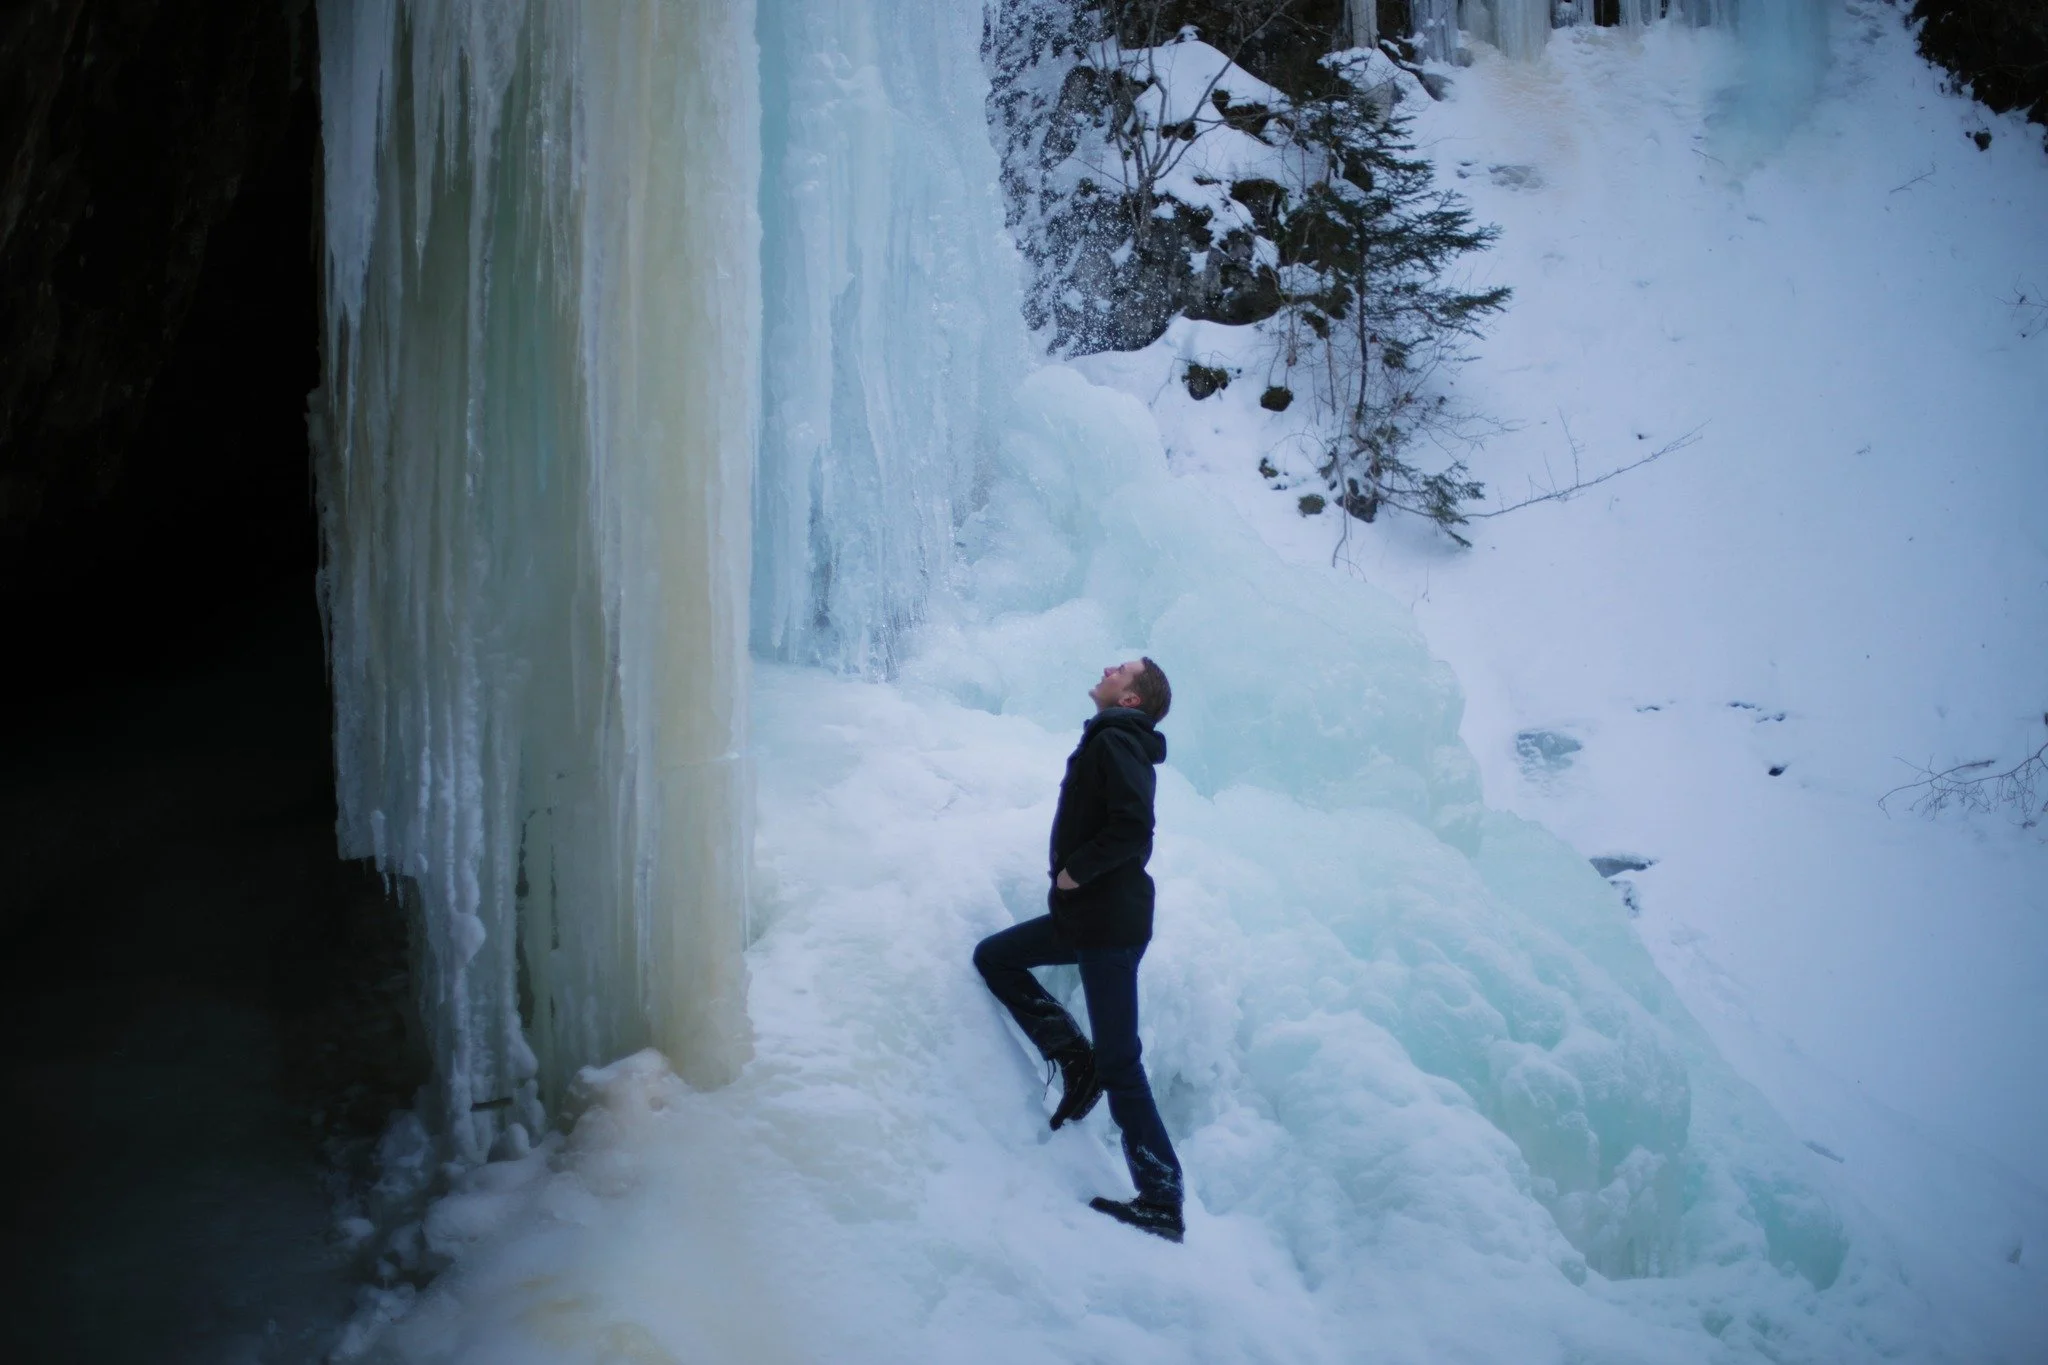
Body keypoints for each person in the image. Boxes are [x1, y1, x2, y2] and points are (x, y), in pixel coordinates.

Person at [972, 657, 1184, 1243]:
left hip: (1108, 924)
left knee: (1124, 1063)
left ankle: (1162, 1200)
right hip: (1087, 919)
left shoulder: (1117, 737)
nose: (1108, 669)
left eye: (1122, 669)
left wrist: (1075, 872)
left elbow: (1133, 827)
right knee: (997, 956)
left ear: (1132, 699)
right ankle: (1074, 1056)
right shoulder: (1116, 737)